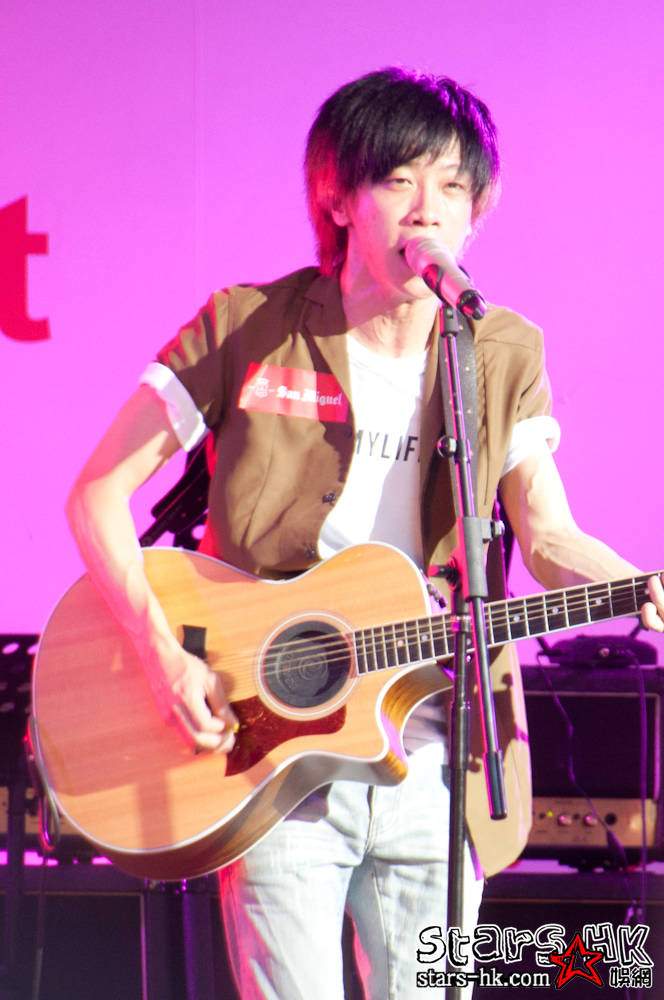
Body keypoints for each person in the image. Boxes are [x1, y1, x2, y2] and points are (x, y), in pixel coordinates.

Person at [66, 67, 664, 999]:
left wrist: (636, 581)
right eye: (398, 180)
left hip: (444, 755)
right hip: (273, 749)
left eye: (454, 186)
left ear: (477, 212)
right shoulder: (249, 326)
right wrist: (162, 654)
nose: (428, 209)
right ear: (340, 199)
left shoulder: (501, 350)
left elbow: (548, 536)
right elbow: (97, 493)